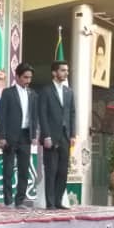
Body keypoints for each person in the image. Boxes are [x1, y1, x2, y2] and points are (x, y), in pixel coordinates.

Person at [0, 62, 38, 208]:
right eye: (25, 77)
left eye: (30, 78)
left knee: (24, 169)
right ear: (17, 77)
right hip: (10, 136)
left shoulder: (33, 94)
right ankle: (8, 200)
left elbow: (34, 116)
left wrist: (34, 134)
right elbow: (2, 116)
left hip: (26, 136)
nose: (28, 80)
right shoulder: (8, 93)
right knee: (8, 169)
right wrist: (2, 137)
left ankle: (20, 200)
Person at [38, 60, 76, 210]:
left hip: (65, 136)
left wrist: (73, 134)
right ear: (54, 73)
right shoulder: (46, 90)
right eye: (63, 70)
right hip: (51, 137)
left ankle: (59, 201)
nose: (66, 73)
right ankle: (50, 203)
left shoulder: (69, 92)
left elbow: (72, 113)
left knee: (63, 171)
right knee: (51, 170)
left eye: (67, 70)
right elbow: (42, 114)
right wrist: (46, 135)